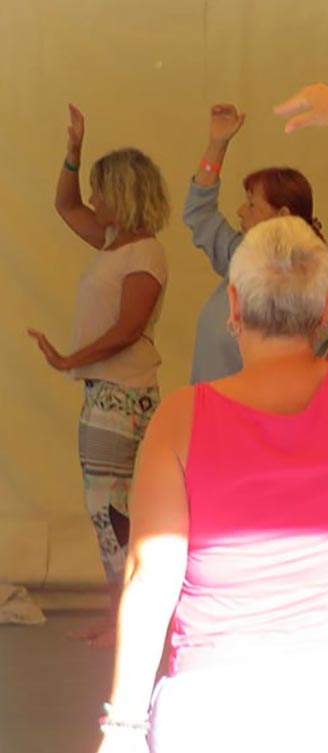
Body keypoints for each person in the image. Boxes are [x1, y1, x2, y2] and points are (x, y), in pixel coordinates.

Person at [94, 84, 328, 753]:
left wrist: (124, 727)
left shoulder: (182, 418)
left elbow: (148, 577)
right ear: (325, 308)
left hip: (220, 703)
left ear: (234, 311)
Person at [30, 105, 169, 648]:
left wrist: (70, 359)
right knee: (111, 512)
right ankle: (124, 618)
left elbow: (129, 329)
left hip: (120, 397)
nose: (92, 201)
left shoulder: (144, 252)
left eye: (100, 190)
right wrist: (73, 150)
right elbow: (63, 204)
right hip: (109, 395)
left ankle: (128, 621)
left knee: (109, 513)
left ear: (123, 194)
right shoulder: (115, 243)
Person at [183, 103, 328, 383]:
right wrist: (217, 145)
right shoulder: (242, 256)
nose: (240, 211)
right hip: (210, 415)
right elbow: (199, 214)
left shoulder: (305, 288)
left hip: (251, 422)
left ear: (283, 216)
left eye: (252, 205)